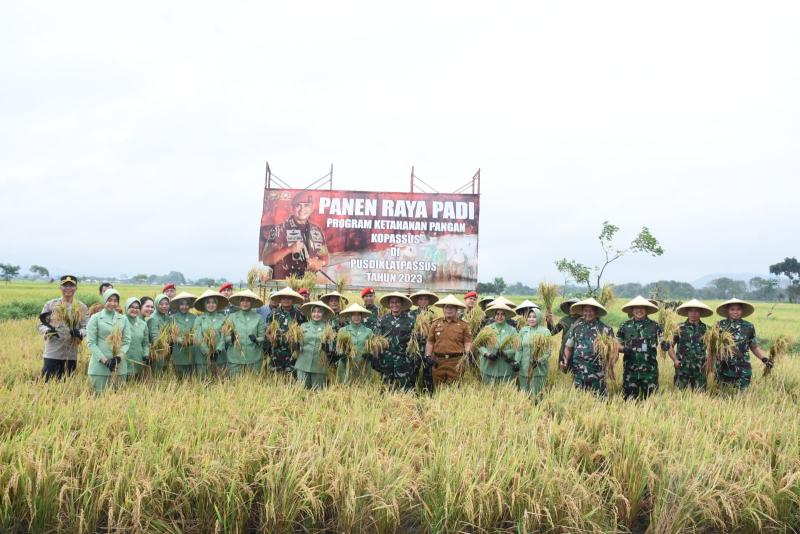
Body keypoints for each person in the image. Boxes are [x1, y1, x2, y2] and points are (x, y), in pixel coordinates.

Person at [261, 191, 329, 278]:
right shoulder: (279, 229)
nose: (302, 209)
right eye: (298, 205)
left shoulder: (317, 230)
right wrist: (288, 249)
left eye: (306, 205)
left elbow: (325, 257)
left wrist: (320, 262)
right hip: (285, 285)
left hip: (309, 284)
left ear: (312, 207)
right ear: (292, 208)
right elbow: (266, 260)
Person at [38, 275, 89, 381]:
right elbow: (41, 325)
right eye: (65, 285)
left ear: (76, 288)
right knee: (47, 383)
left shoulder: (81, 307)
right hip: (52, 352)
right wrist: (48, 331)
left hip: (71, 354)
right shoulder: (51, 305)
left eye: (71, 285)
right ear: (60, 287)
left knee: (67, 384)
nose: (68, 288)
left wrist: (80, 333)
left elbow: (86, 327)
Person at [714, 298, 772, 390]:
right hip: (723, 367)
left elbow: (754, 347)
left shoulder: (749, 326)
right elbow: (713, 346)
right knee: (722, 396)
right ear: (728, 311)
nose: (735, 312)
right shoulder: (719, 325)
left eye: (738, 309)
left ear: (742, 311)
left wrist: (764, 359)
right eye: (732, 309)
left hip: (743, 368)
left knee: (741, 397)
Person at [562, 298, 615, 396]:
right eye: (585, 310)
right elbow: (568, 347)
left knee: (599, 401)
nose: (588, 313)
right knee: (579, 401)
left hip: (597, 374)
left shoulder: (605, 329)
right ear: (582, 312)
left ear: (596, 312)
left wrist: (609, 366)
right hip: (578, 373)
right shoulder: (576, 328)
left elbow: (612, 352)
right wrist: (565, 361)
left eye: (591, 311)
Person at [616, 296, 664, 400]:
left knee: (651, 402)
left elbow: (663, 341)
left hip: (650, 372)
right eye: (636, 308)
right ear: (632, 310)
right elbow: (616, 344)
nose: (639, 310)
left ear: (646, 310)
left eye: (642, 308)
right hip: (630, 372)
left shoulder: (655, 326)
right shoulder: (624, 326)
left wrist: (665, 345)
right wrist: (623, 349)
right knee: (629, 403)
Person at [86, 289, 131, 394]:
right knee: (99, 401)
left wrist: (118, 358)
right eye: (109, 300)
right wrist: (105, 361)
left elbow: (127, 341)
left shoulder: (123, 319)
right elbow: (91, 343)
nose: (112, 303)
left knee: (119, 400)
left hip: (119, 367)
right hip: (99, 368)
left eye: (115, 301)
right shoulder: (95, 318)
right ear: (104, 300)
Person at [424, 294, 472, 387]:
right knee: (438, 389)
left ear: (456, 309)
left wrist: (468, 353)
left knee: (455, 389)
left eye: (452, 308)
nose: (449, 310)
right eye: (446, 307)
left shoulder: (464, 325)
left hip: (456, 362)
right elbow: (430, 342)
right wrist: (428, 356)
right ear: (443, 309)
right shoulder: (436, 323)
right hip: (438, 362)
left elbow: (468, 342)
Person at [373, 292, 417, 391]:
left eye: (397, 302)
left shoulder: (410, 320)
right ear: (389, 305)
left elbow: (415, 342)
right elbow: (377, 340)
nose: (395, 305)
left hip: (404, 360)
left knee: (405, 388)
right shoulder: (382, 320)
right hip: (386, 359)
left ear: (402, 304)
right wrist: (375, 357)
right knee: (386, 388)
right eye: (392, 302)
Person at [668, 299, 713, 390]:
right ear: (687, 312)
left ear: (700, 313)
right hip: (682, 367)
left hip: (700, 368)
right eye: (691, 311)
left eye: (696, 311)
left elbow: (713, 348)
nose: (693, 313)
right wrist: (675, 360)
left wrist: (709, 361)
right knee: (680, 395)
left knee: (700, 395)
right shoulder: (678, 328)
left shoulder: (707, 329)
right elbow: (669, 346)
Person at [294, 301, 336, 389]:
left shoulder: (328, 328)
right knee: (301, 392)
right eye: (314, 311)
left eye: (319, 311)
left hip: (319, 366)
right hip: (303, 363)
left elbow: (331, 347)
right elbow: (299, 343)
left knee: (317, 393)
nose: (316, 314)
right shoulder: (303, 326)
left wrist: (327, 348)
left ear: (323, 314)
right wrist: (296, 345)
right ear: (311, 313)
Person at [225, 289, 267, 377]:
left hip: (254, 358)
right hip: (235, 358)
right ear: (239, 302)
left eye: (248, 300)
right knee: (235, 385)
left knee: (253, 385)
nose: (245, 303)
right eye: (242, 300)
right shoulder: (232, 317)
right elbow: (225, 337)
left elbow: (262, 337)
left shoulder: (258, 318)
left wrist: (256, 340)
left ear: (252, 303)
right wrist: (231, 338)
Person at [266, 287, 306, 374]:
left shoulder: (299, 315)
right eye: (284, 298)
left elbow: (304, 332)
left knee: (292, 379)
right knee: (275, 379)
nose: (286, 300)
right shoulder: (273, 314)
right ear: (280, 299)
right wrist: (270, 337)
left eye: (289, 298)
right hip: (276, 353)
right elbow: (267, 331)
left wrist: (296, 338)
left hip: (293, 353)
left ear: (293, 299)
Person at [515, 303, 551, 397]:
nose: (531, 319)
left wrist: (539, 361)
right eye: (529, 317)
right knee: (523, 394)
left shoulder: (545, 332)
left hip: (538, 369)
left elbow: (548, 352)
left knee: (536, 395)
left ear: (539, 317)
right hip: (524, 368)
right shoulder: (523, 330)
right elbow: (519, 349)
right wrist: (516, 362)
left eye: (534, 317)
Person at [478, 303, 519, 384]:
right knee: (488, 393)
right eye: (497, 314)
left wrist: (506, 353)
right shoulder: (487, 329)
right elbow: (479, 344)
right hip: (488, 367)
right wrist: (487, 354)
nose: (500, 316)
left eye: (502, 314)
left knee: (504, 393)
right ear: (494, 315)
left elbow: (517, 347)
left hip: (506, 368)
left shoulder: (512, 330)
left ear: (506, 316)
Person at [336, 304, 377, 385]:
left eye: (359, 314)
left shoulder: (368, 331)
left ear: (362, 316)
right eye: (354, 314)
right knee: (346, 390)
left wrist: (370, 355)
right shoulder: (343, 330)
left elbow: (373, 349)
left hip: (363, 365)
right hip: (346, 366)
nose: (356, 317)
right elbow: (338, 348)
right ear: (350, 316)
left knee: (363, 390)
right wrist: (342, 355)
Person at [194, 289, 229, 377]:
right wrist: (207, 352)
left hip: (220, 356)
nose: (211, 305)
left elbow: (224, 336)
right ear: (204, 305)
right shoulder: (199, 319)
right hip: (203, 357)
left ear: (217, 304)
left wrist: (218, 350)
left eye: (214, 302)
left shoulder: (223, 318)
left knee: (220, 382)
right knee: (204, 382)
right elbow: (198, 337)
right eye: (208, 302)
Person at [409, 290, 439, 393]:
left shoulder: (433, 316)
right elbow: (406, 330)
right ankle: (412, 393)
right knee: (413, 372)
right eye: (420, 299)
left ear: (429, 301)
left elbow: (436, 334)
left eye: (425, 299)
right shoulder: (411, 315)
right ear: (417, 301)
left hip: (428, 350)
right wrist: (413, 334)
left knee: (428, 373)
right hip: (414, 349)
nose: (423, 301)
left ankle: (428, 394)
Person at [545, 297, 580, 370]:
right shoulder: (564, 320)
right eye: (570, 306)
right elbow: (552, 332)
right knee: (563, 371)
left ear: (579, 308)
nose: (571, 308)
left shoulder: (584, 320)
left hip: (578, 351)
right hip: (564, 350)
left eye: (573, 306)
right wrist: (549, 321)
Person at [170, 292, 199, 378]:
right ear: (178, 305)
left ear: (190, 305)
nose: (184, 307)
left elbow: (196, 332)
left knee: (192, 377)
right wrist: (181, 341)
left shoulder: (194, 317)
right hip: (178, 351)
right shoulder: (172, 318)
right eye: (182, 304)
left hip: (192, 350)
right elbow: (171, 333)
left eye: (187, 304)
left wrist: (191, 340)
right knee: (179, 377)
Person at [122, 297, 149, 381]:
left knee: (136, 387)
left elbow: (145, 343)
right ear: (126, 307)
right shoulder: (120, 321)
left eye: (137, 307)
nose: (135, 309)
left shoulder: (143, 324)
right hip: (123, 360)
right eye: (132, 307)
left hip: (138, 360)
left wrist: (146, 354)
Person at [146, 294, 172, 375]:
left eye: (166, 304)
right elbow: (155, 338)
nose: (164, 306)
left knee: (163, 374)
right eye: (161, 304)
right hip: (157, 351)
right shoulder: (153, 318)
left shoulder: (167, 317)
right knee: (156, 374)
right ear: (156, 305)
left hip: (165, 350)